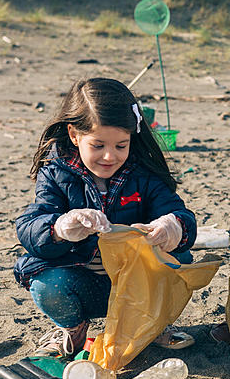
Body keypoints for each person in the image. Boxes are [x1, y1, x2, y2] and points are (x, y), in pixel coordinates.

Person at [14, 77, 197, 358]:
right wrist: (59, 228)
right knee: (45, 281)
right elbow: (29, 227)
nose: (110, 156)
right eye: (98, 146)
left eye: (121, 146)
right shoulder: (55, 172)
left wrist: (172, 226)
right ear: (75, 135)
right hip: (84, 282)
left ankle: (153, 324)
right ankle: (72, 330)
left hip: (138, 284)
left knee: (180, 260)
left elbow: (182, 216)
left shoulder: (143, 173)